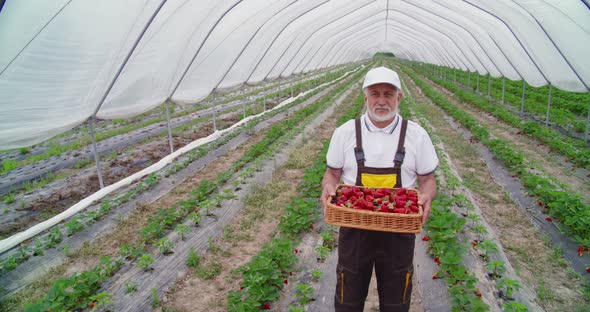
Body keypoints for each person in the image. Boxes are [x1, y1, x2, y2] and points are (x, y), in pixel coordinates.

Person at [320, 66, 438, 312]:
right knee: (348, 294)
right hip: (355, 226)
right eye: (375, 94)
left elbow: (427, 178)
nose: (382, 101)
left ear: (399, 97)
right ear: (365, 96)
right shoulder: (345, 133)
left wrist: (427, 196)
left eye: (388, 94)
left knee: (396, 296)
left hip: (398, 229)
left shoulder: (416, 135)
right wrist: (329, 188)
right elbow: (332, 174)